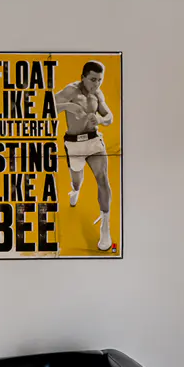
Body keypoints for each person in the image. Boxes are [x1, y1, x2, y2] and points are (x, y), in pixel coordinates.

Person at [54, 61, 115, 251]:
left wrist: (100, 119)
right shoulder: (71, 90)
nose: (96, 84)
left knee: (103, 179)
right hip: (73, 142)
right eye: (92, 80)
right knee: (77, 176)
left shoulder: (98, 93)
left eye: (100, 80)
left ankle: (105, 226)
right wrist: (68, 107)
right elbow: (49, 107)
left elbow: (109, 116)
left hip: (94, 140)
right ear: (83, 77)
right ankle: (76, 188)